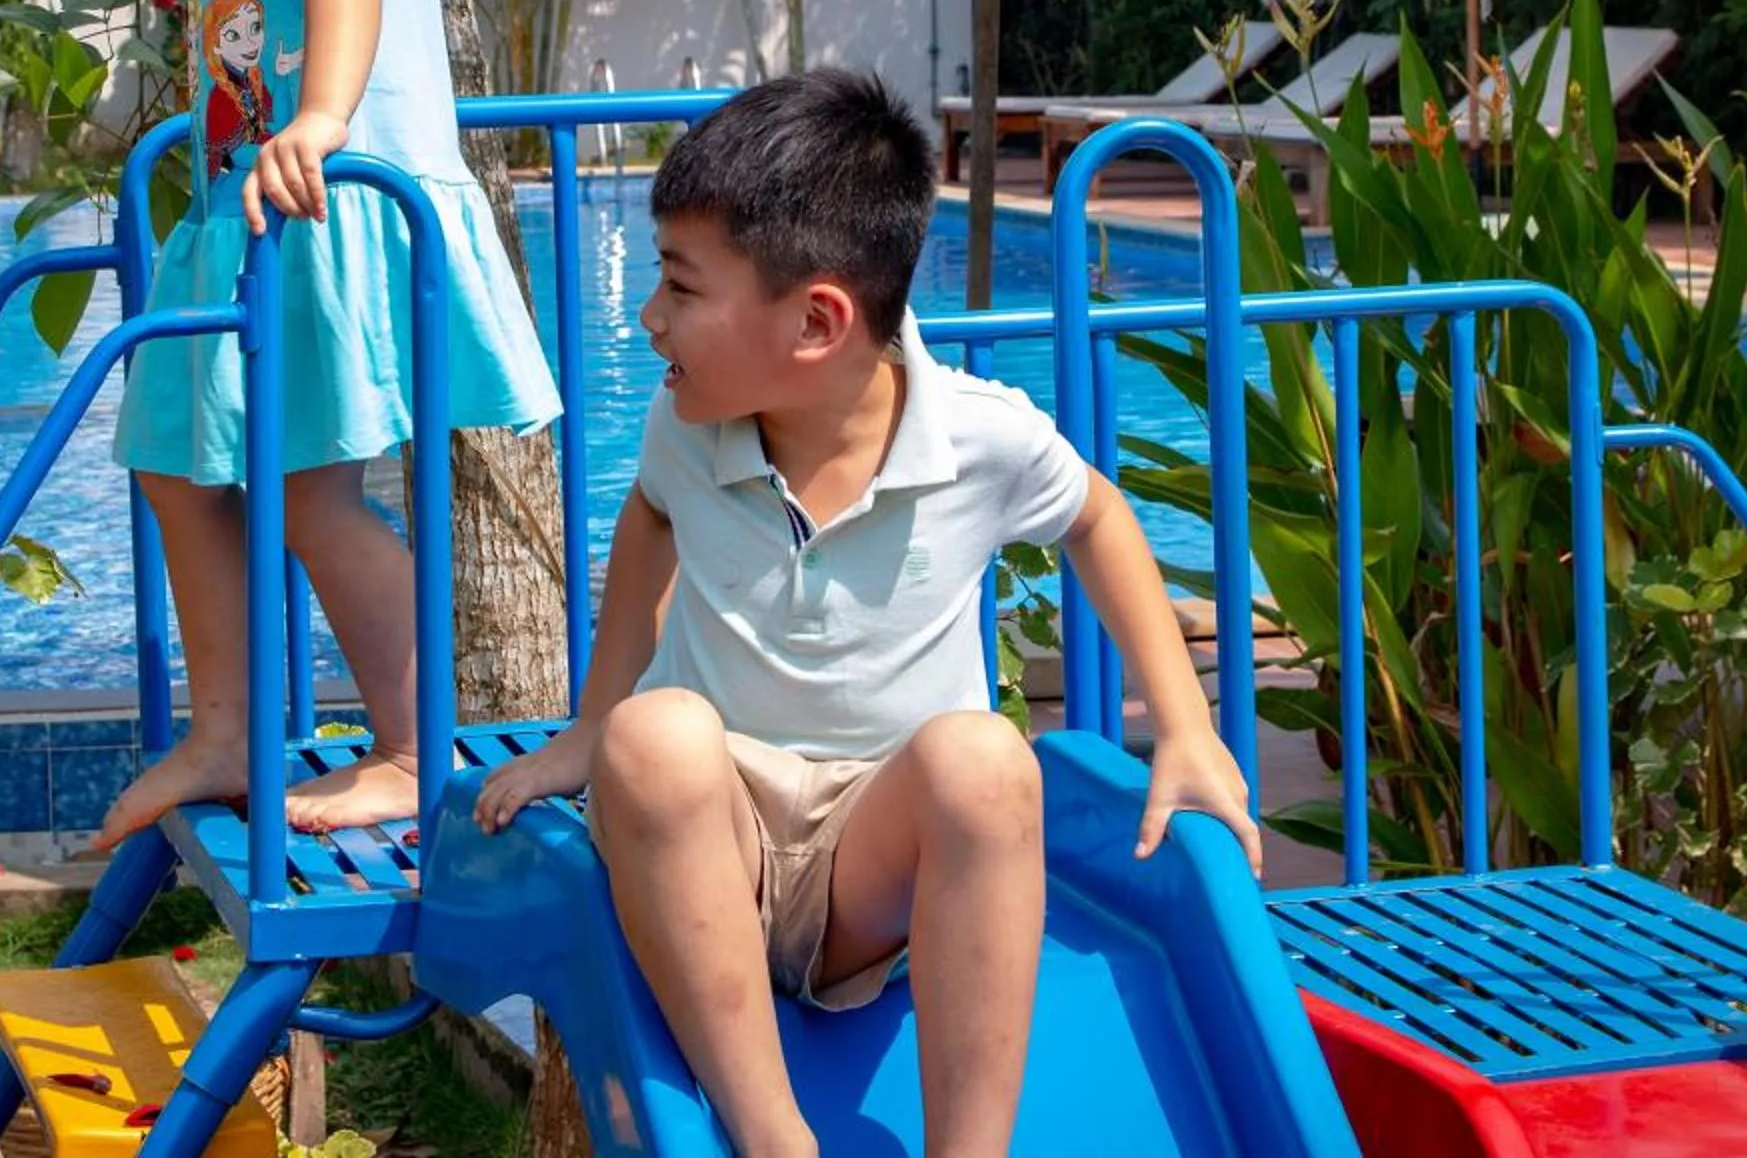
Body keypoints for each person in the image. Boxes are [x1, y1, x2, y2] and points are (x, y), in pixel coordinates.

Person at [473, 70, 1258, 1158]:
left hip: (870, 868)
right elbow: (648, 520)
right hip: (714, 835)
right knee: (650, 737)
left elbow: (1099, 517)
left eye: (680, 286)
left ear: (817, 320)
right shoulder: (685, 426)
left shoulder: (981, 435)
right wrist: (593, 718)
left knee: (987, 761)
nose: (650, 317)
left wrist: (1184, 725)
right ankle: (772, 1134)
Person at [100, 0, 559, 845]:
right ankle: (231, 729)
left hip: (329, 184)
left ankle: (417, 749)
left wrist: (324, 118)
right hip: (255, 195)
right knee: (177, 459)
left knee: (307, 489)